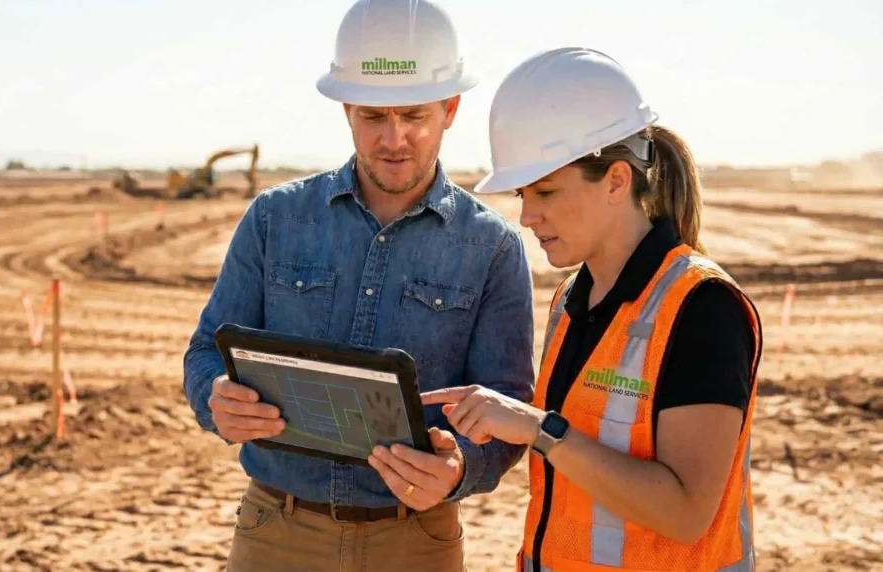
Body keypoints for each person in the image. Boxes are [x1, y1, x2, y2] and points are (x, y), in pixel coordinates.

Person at [182, 1, 535, 570]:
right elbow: (204, 354)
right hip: (276, 533)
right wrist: (215, 397)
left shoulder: (492, 248)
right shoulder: (275, 219)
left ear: (450, 109)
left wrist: (459, 468)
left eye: (414, 115)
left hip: (417, 542)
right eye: (374, 116)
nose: (394, 139)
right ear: (347, 109)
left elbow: (510, 410)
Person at [423, 47, 763, 572]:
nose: (528, 216)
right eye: (522, 193)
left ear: (617, 180)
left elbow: (686, 513)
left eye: (547, 192)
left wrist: (539, 428)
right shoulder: (569, 300)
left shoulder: (702, 308)